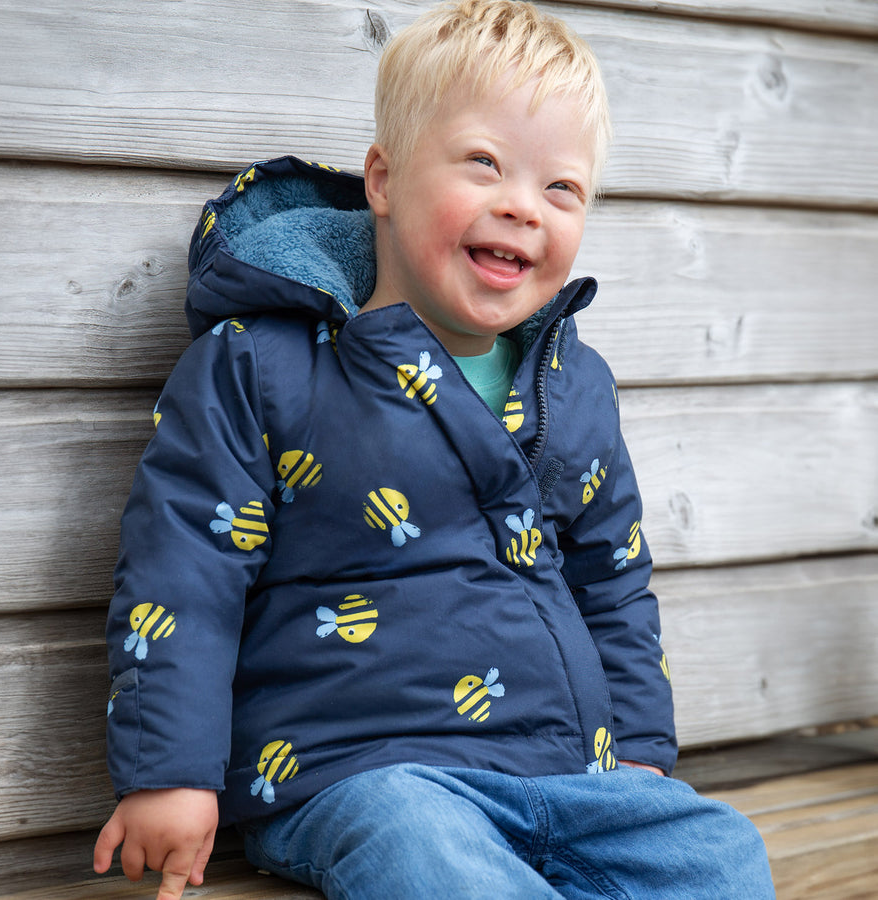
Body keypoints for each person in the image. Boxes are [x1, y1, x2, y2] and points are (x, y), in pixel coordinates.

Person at [94, 2, 776, 898]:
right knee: (425, 854)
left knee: (716, 851)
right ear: (384, 178)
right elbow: (185, 568)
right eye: (485, 164)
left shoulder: (575, 386)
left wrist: (641, 760)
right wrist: (168, 772)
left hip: (567, 778)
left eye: (560, 188)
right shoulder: (267, 364)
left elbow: (612, 581)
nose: (520, 206)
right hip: (365, 774)